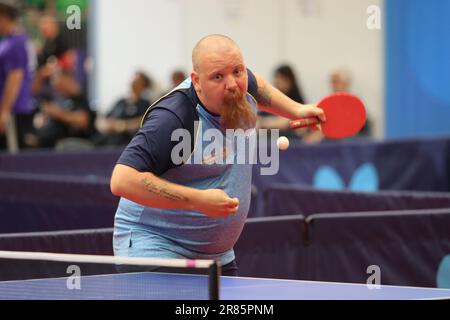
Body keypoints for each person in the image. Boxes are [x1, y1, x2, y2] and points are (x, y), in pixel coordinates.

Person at [110, 34, 324, 276]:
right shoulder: (175, 118)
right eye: (217, 77)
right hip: (156, 246)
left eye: (237, 71)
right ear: (196, 81)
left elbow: (257, 84)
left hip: (216, 255)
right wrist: (196, 200)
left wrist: (296, 109)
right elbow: (122, 179)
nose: (232, 83)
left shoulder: (240, 88)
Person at [0, 0, 36, 152]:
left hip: (14, 112)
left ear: (4, 17)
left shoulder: (16, 42)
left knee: (12, 159)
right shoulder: (10, 40)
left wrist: (4, 112)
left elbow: (15, 78)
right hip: (12, 111)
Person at [29, 70, 95, 149]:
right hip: (46, 143)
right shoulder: (60, 99)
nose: (58, 89)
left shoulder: (80, 99)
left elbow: (83, 120)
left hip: (71, 145)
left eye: (60, 85)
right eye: (56, 87)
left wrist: (57, 113)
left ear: (68, 81)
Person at [93, 71, 152, 147]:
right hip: (107, 138)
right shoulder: (120, 101)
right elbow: (103, 118)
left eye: (137, 79)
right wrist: (104, 125)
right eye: (133, 78)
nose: (133, 81)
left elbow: (143, 121)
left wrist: (122, 126)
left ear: (144, 85)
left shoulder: (145, 103)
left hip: (126, 141)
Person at [257, 64, 306, 139]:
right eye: (277, 78)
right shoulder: (267, 102)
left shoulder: (299, 105)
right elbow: (258, 122)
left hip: (292, 142)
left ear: (290, 80)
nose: (278, 82)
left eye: (283, 79)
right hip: (269, 143)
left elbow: (288, 122)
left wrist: (266, 123)